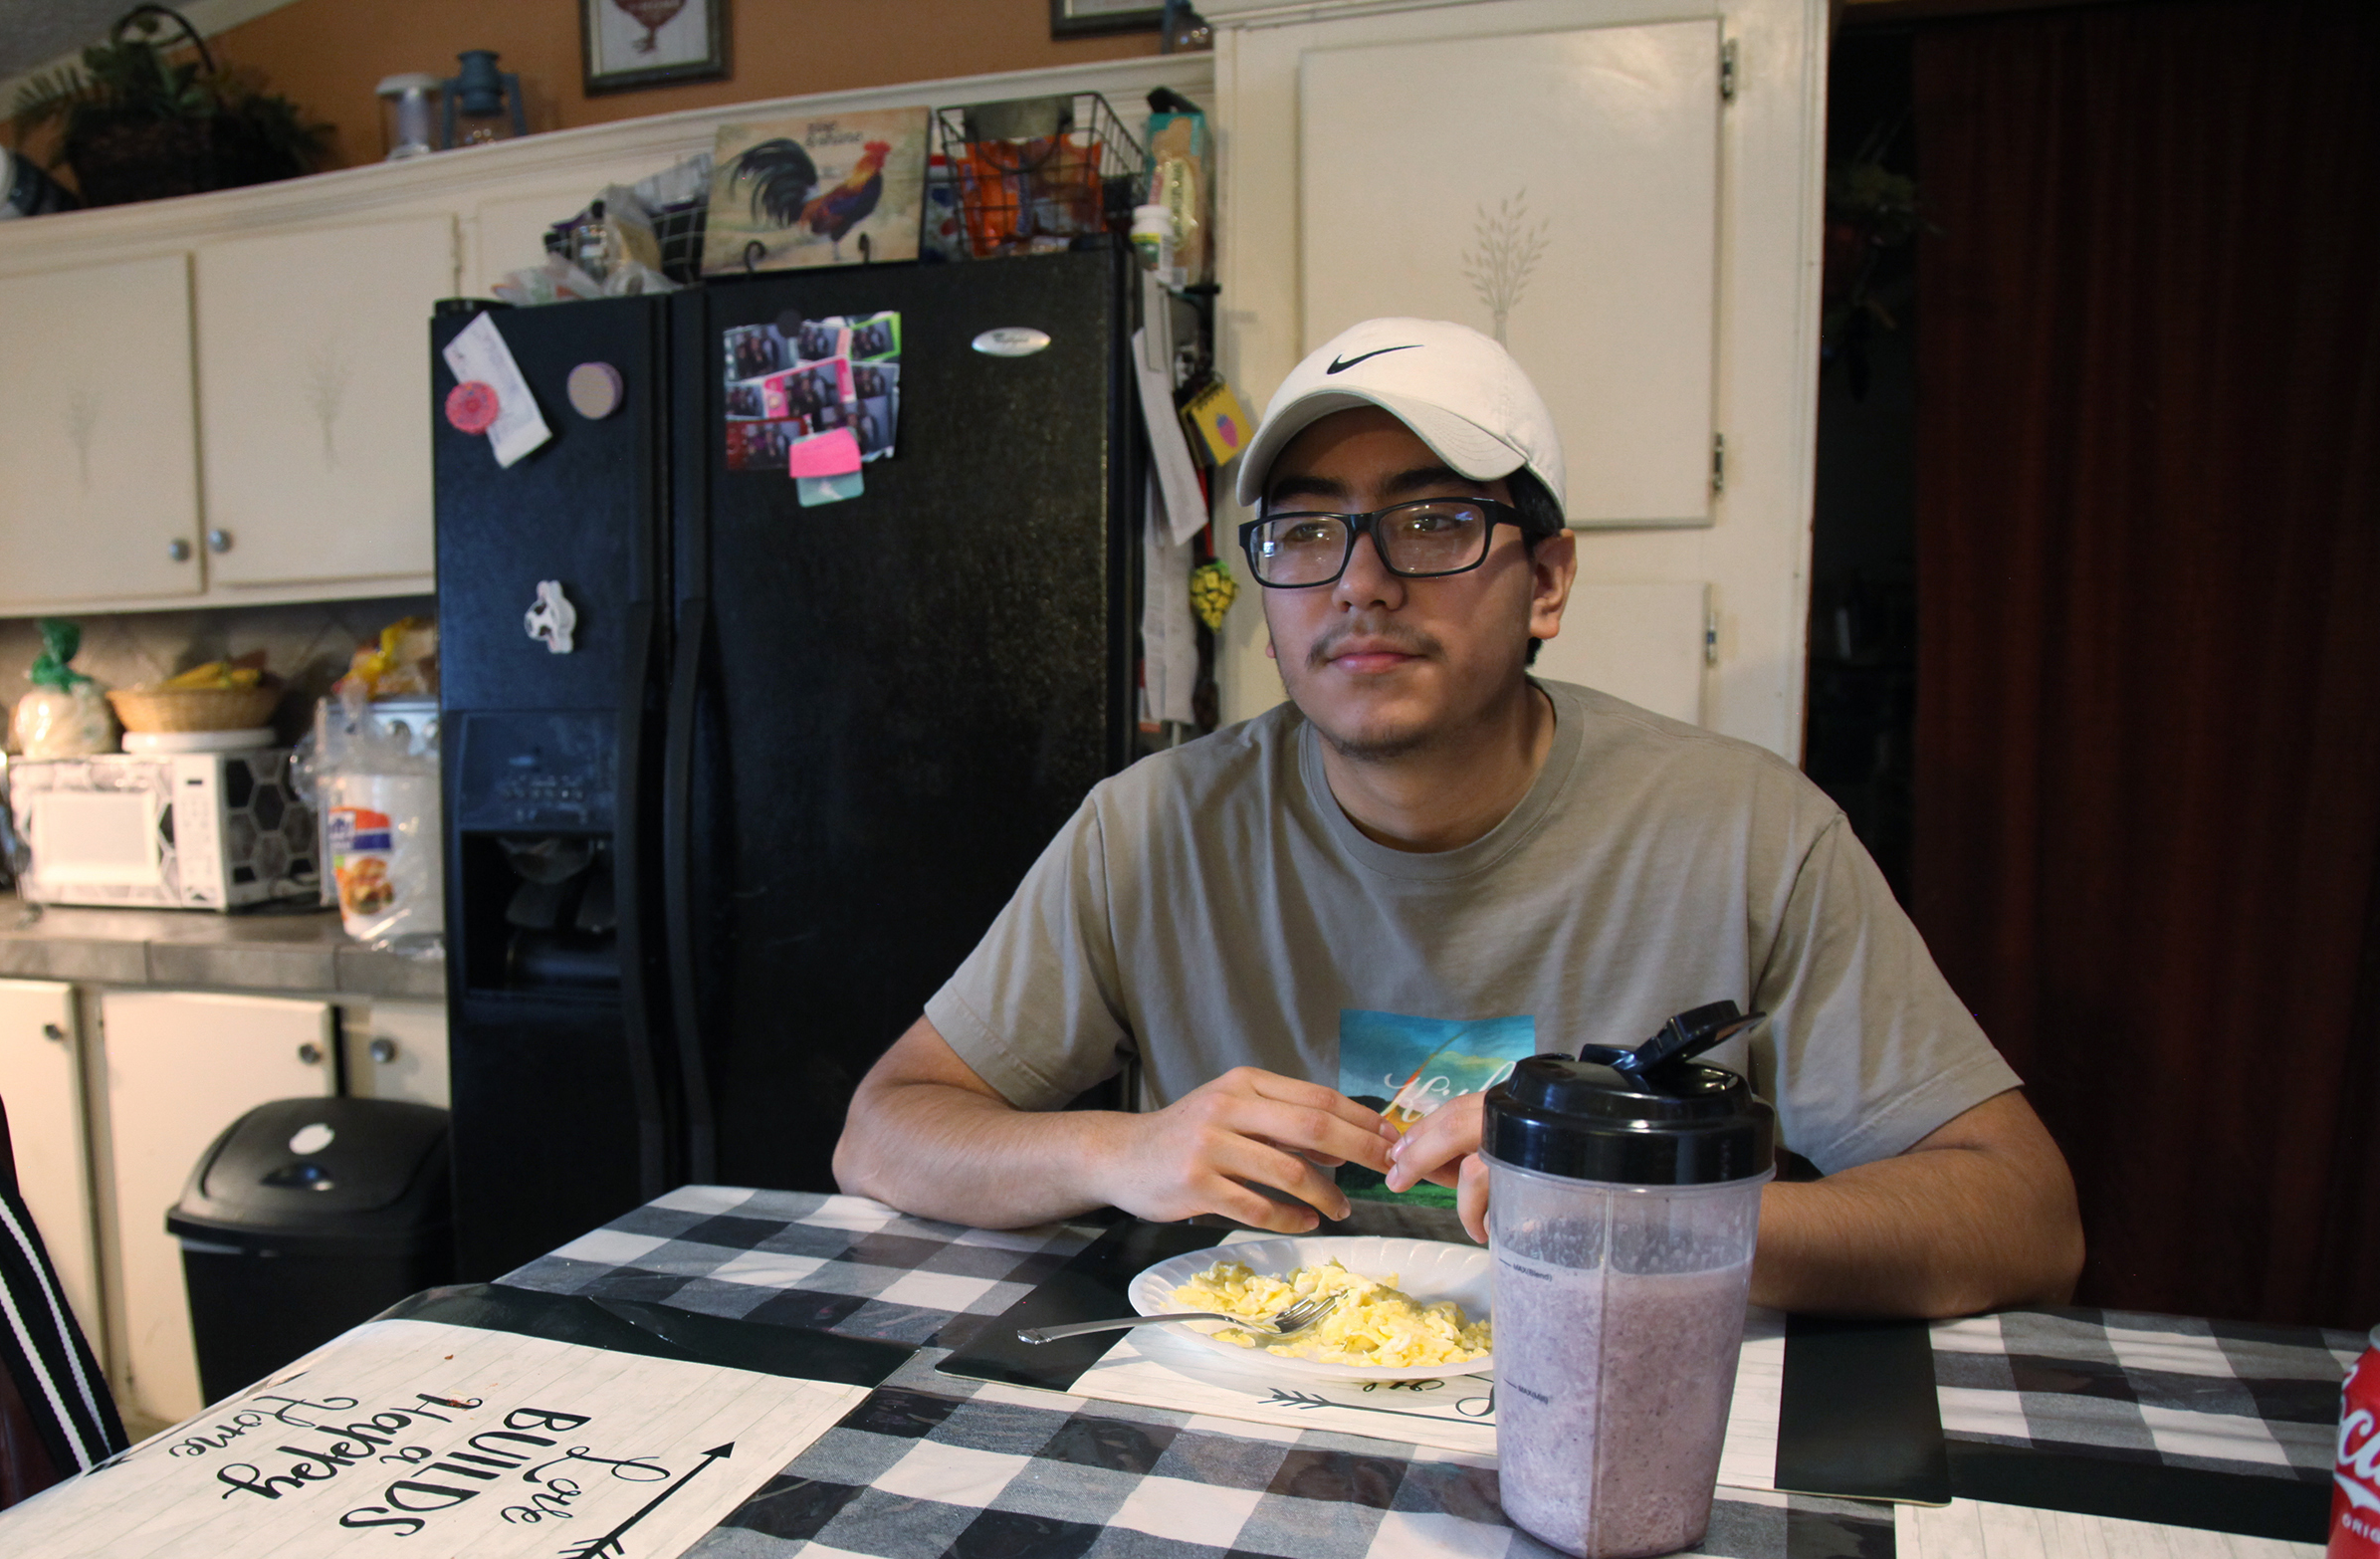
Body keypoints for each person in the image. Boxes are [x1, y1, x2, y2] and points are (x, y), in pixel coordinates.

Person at [832, 317, 2081, 1317]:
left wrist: (1642, 1217)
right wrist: (1118, 1152)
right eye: (1306, 531)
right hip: (1237, 1432)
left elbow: (2022, 1216)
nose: (1359, 583)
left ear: (1547, 582)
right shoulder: (1147, 829)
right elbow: (884, 1130)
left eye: (1433, 522)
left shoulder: (1745, 831)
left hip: (1606, 1424)